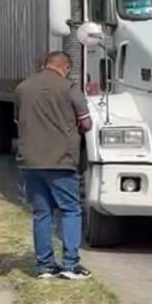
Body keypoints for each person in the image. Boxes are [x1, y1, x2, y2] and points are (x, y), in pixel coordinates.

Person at [15, 51, 92, 280]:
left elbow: (19, 120)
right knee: (70, 210)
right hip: (60, 160)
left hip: (30, 161)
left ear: (45, 64)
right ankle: (70, 264)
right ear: (66, 67)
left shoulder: (23, 88)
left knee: (41, 213)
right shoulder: (69, 88)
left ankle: (45, 266)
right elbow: (86, 123)